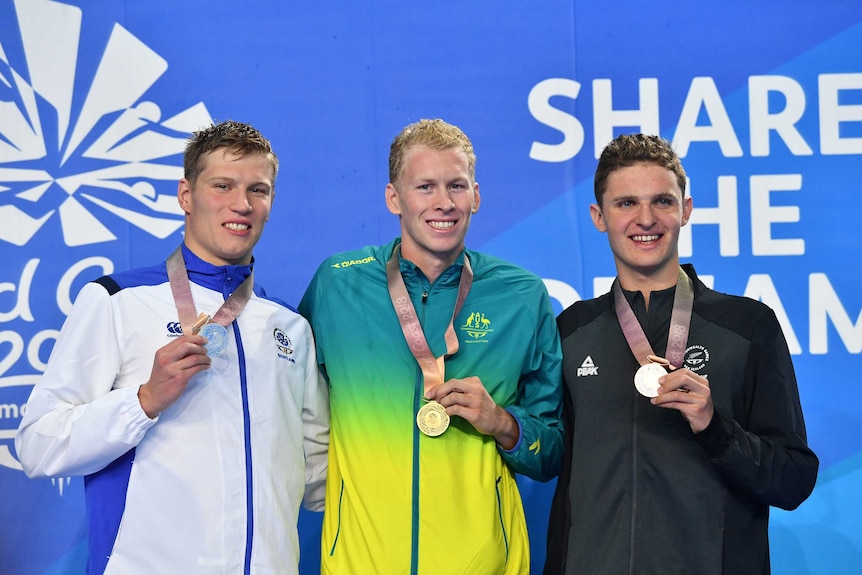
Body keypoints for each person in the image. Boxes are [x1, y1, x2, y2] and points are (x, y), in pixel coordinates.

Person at [15, 120, 329, 575]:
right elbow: (38, 444)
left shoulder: (289, 327)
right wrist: (142, 401)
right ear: (186, 195)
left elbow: (320, 477)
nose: (241, 204)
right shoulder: (117, 300)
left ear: (270, 203)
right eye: (222, 185)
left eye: (257, 190)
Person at [544, 133, 819, 575]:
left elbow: (793, 479)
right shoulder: (571, 331)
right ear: (599, 217)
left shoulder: (747, 326)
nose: (646, 218)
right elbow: (551, 459)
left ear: (686, 210)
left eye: (663, 202)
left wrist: (715, 428)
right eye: (626, 203)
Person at [299, 118, 563, 574]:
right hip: (360, 563)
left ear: (476, 196)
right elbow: (291, 402)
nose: (444, 203)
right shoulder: (337, 284)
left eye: (456, 185)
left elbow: (553, 449)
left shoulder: (521, 295)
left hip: (484, 565)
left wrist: (503, 422)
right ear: (393, 198)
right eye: (425, 186)